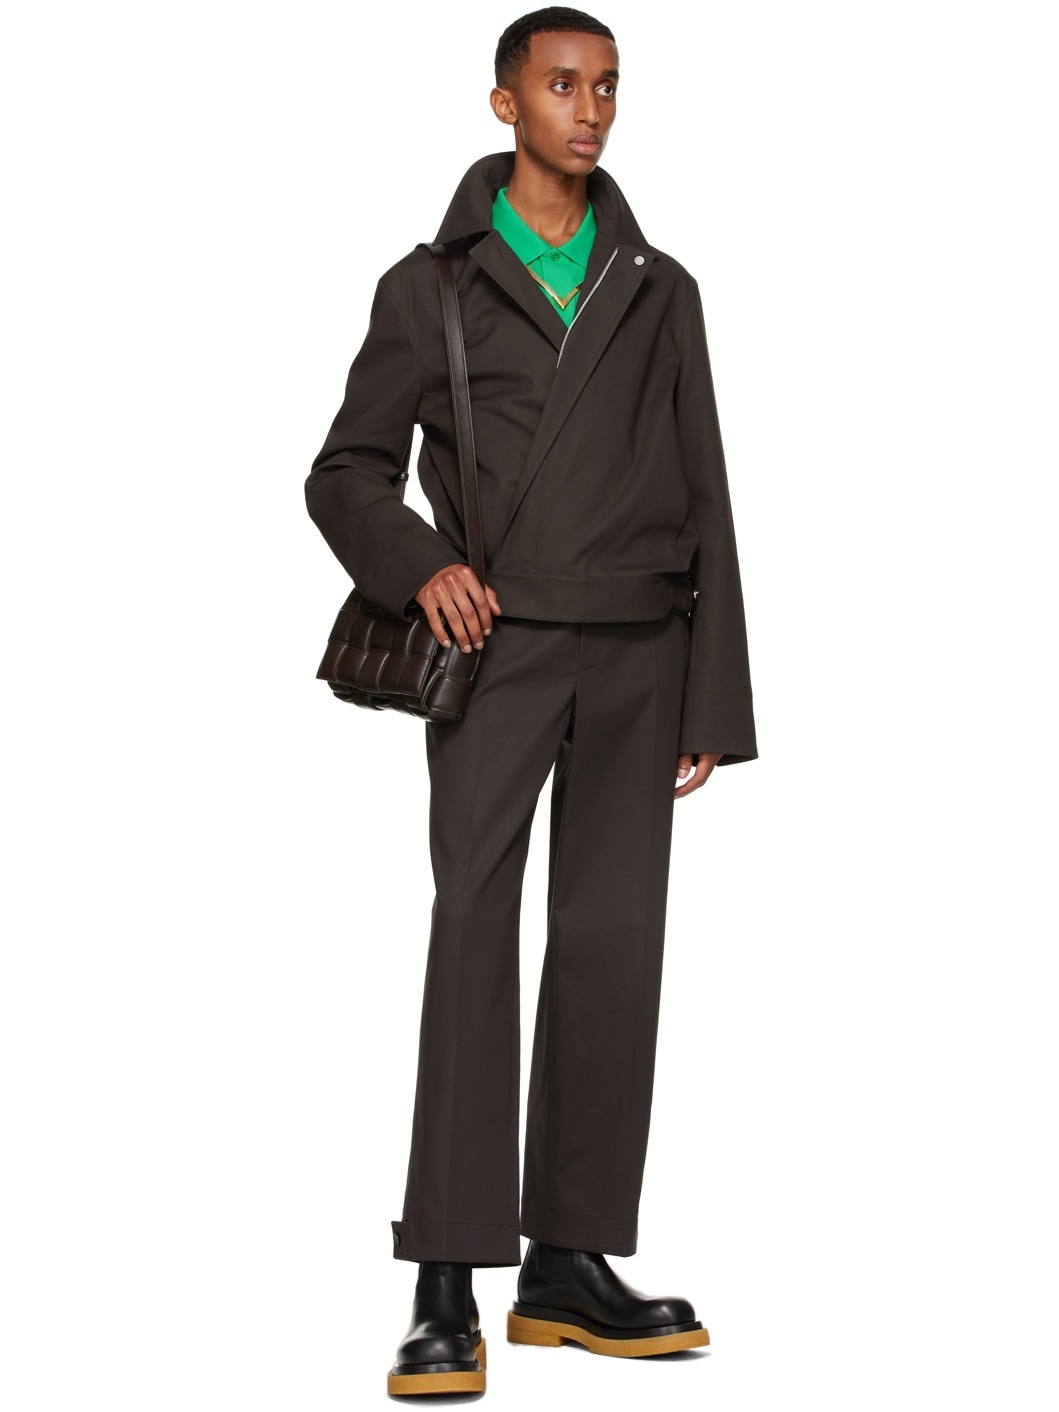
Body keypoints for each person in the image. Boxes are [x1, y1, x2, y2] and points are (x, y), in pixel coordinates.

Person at [305, 6, 758, 1396]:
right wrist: (422, 565)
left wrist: (713, 698)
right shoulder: (429, 285)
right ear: (504, 103)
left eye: (608, 86)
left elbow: (707, 488)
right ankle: (447, 1276)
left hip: (641, 651)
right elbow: (344, 471)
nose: (591, 108)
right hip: (496, 648)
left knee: (614, 952)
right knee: (472, 941)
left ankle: (568, 1261)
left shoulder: (661, 286)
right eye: (563, 84)